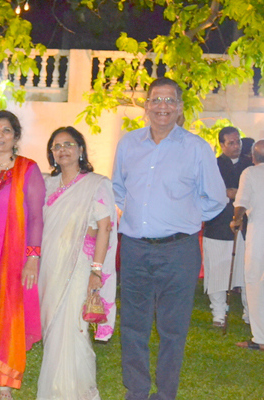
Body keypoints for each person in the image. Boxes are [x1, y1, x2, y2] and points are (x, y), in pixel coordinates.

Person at [112, 77, 227, 400]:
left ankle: (165, 394)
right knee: (133, 326)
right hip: (135, 249)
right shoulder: (128, 144)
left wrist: (185, 217)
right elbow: (118, 189)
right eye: (156, 100)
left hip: (179, 251)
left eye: (169, 100)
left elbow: (216, 198)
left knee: (172, 329)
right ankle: (136, 391)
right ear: (146, 105)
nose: (162, 106)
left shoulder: (196, 148)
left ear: (179, 108)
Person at [37, 127, 117, 400]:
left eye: (69, 144)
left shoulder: (96, 184)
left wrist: (96, 271)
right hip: (50, 266)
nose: (63, 150)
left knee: (74, 329)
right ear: (52, 153)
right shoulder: (47, 184)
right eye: (57, 146)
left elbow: (104, 228)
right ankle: (55, 390)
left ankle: (78, 392)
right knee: (53, 328)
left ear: (81, 149)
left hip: (79, 267)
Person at [0, 110, 44, 399]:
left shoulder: (28, 168)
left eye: (6, 130)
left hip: (14, 256)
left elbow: (36, 218)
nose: (0, 135)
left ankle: (5, 380)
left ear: (16, 136)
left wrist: (33, 258)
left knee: (9, 315)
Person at [203, 126, 252, 327]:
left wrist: (237, 193)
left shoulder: (250, 165)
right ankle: (218, 313)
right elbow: (204, 191)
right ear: (222, 145)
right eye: (231, 143)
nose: (236, 146)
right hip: (218, 226)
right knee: (217, 271)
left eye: (238, 141)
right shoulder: (213, 166)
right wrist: (225, 193)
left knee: (248, 271)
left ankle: (250, 313)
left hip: (247, 227)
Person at [231, 140, 264, 351]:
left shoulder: (250, 173)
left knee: (255, 281)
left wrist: (236, 220)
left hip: (259, 233)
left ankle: (260, 338)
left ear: (253, 157)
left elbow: (241, 202)